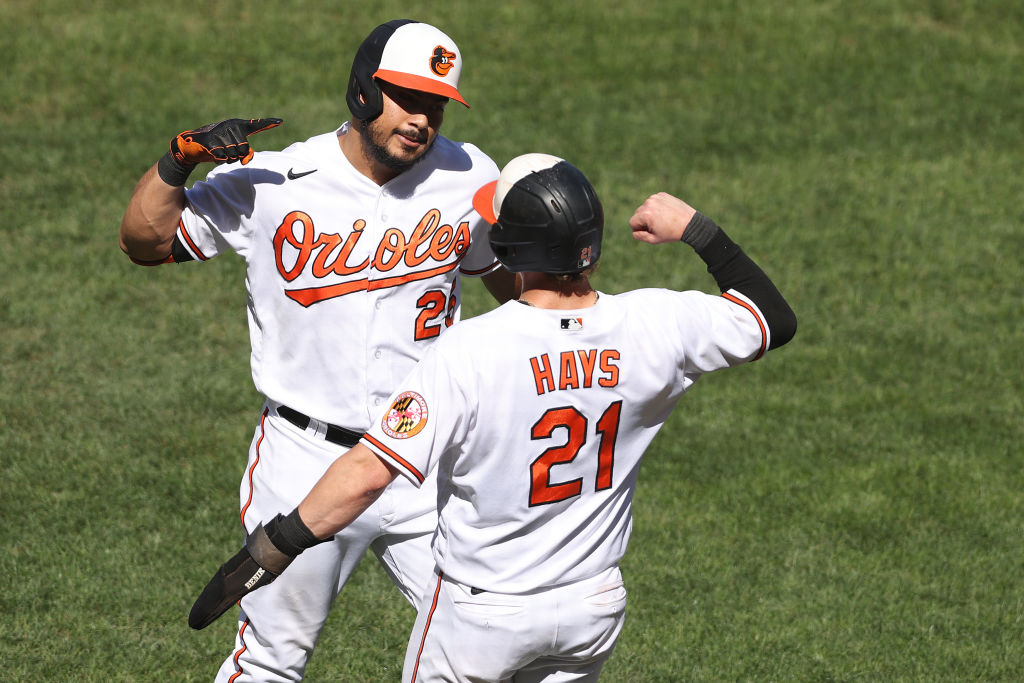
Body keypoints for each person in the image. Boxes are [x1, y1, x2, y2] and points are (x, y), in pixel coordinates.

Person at [188, 153, 798, 681]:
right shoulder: (660, 325)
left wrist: (274, 545)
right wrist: (697, 230)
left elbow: (372, 472)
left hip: (482, 619)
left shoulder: (469, 351)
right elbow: (773, 318)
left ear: (509, 245)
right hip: (593, 608)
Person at [120, 19, 515, 682]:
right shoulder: (277, 180)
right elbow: (145, 243)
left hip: (426, 455)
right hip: (305, 459)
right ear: (363, 92)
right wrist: (177, 161)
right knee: (273, 660)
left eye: (435, 104)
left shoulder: (469, 176)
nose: (422, 119)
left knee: (491, 647)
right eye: (407, 99)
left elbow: (511, 285)